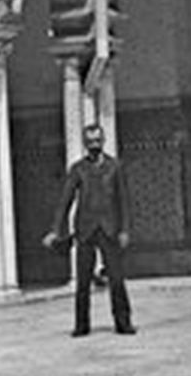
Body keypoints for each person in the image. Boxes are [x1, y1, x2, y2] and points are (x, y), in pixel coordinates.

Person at [42, 123, 135, 337]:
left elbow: (123, 201)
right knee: (83, 281)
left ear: (103, 141)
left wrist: (125, 230)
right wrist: (55, 230)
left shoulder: (115, 167)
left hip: (110, 229)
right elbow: (65, 200)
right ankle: (81, 325)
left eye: (97, 140)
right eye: (90, 141)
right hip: (85, 229)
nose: (94, 145)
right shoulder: (78, 169)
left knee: (117, 279)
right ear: (85, 144)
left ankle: (123, 322)